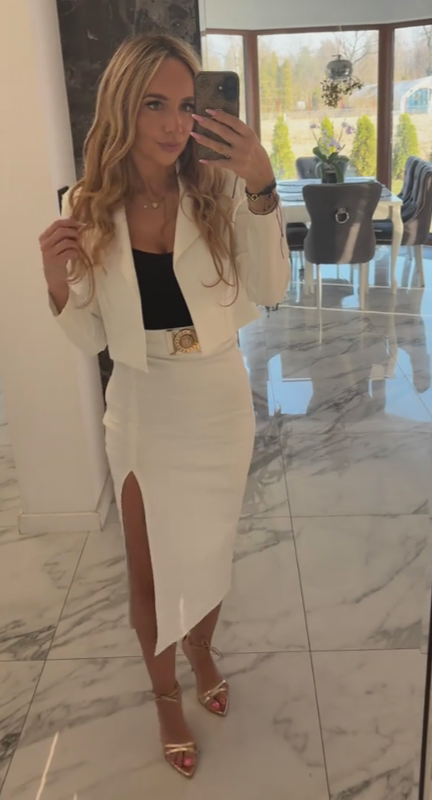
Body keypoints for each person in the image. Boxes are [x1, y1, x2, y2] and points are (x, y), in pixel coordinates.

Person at [39, 33, 289, 778]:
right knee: (148, 570)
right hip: (143, 403)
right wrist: (56, 282)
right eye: (155, 104)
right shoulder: (87, 204)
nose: (176, 123)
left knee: (209, 549)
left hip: (218, 398)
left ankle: (202, 649)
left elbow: (270, 289)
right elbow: (90, 335)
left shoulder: (219, 189)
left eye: (186, 105)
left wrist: (261, 185)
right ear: (123, 106)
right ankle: (164, 695)